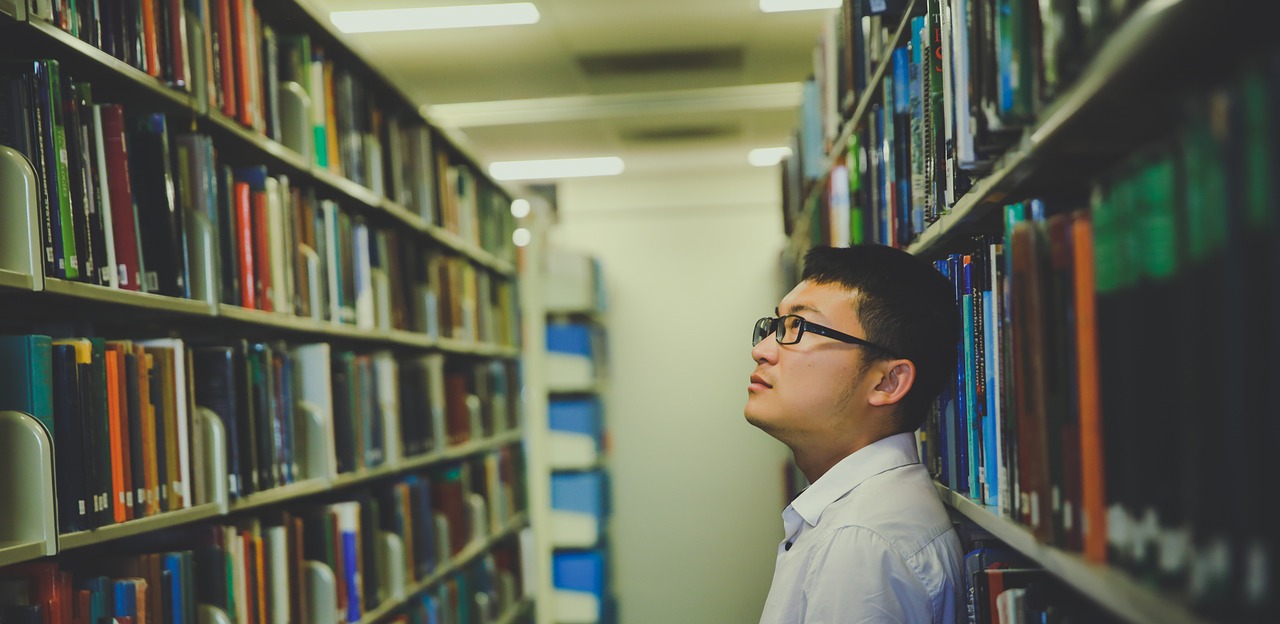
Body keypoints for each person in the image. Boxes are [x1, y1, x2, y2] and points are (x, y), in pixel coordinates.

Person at [746, 244, 965, 624]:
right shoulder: (860, 518)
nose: (763, 351)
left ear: (887, 382)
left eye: (798, 328)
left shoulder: (860, 543)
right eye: (776, 326)